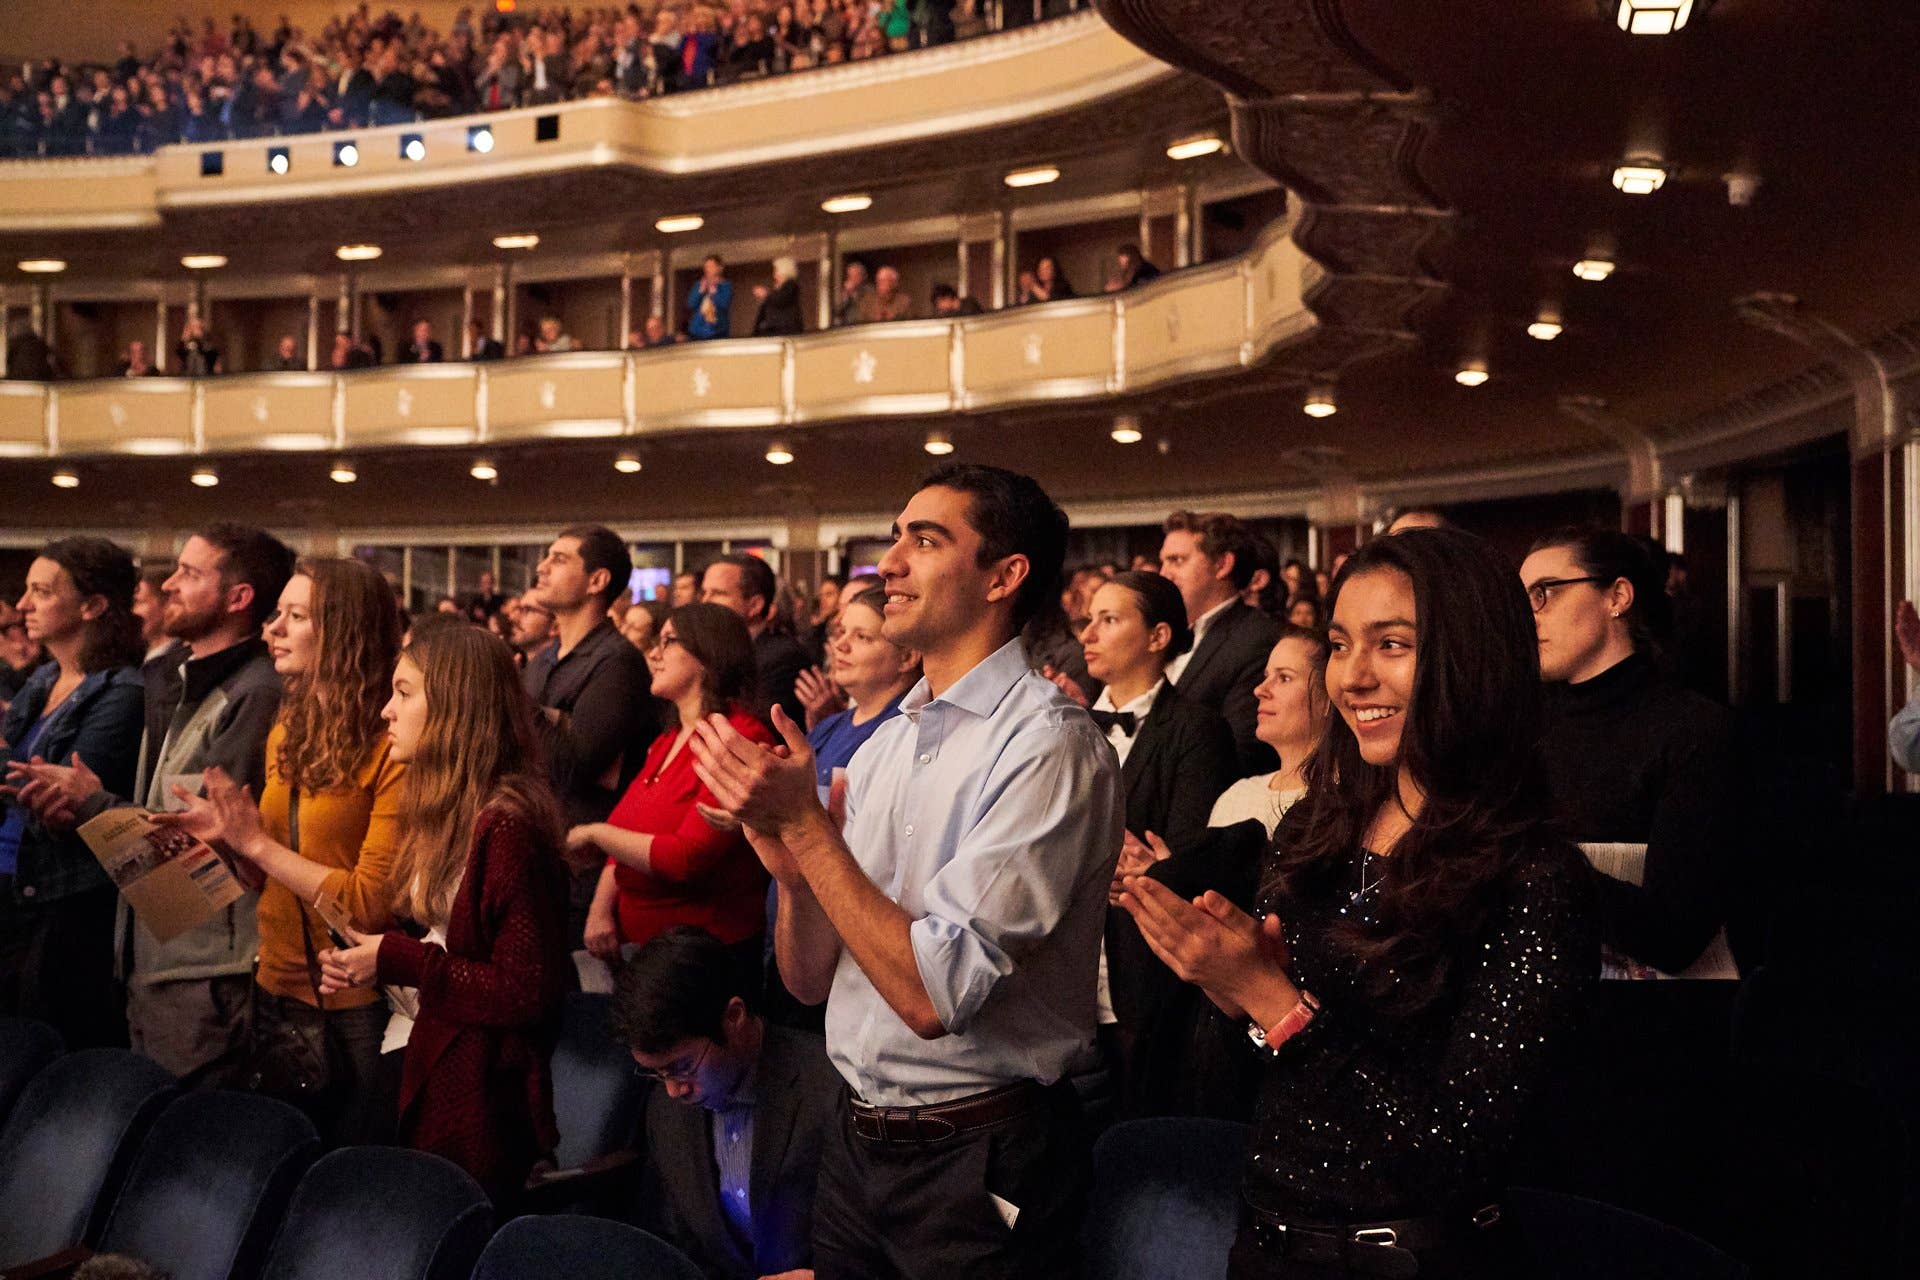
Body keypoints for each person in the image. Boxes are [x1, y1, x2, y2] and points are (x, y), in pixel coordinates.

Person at [1120, 527, 1597, 1279]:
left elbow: (1460, 1144)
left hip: (1417, 1258)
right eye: (1340, 645)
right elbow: (1274, 1076)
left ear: (1470, 657)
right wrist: (1232, 984)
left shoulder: (1533, 874)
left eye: (1393, 645)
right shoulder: (1319, 825)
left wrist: (1278, 1005)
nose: (1353, 678)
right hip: (1270, 1238)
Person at [688, 463, 1123, 1277]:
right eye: (894, 537)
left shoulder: (1049, 745)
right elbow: (809, 979)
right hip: (857, 1143)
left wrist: (810, 833)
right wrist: (788, 863)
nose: (887, 562)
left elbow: (932, 996)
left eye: (924, 541)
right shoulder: (886, 742)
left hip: (980, 1155)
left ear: (1003, 576)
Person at [9, 524, 292, 1076]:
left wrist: (91, 805)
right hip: (153, 959)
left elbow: (200, 867)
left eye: (189, 574)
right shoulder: (175, 679)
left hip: (205, 968)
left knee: (190, 1144)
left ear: (238, 598)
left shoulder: (254, 694)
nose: (168, 587)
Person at [1521, 527, 1738, 1230]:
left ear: (1617, 597)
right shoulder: (1519, 729)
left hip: (1647, 1052)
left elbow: (1676, 934)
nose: (1530, 615)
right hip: (1524, 1031)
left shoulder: (1694, 728)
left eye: (1546, 594)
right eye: (1520, 599)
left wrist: (1531, 858)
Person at [153, 558, 404, 1142]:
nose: (273, 629)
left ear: (342, 632)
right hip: (273, 991)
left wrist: (256, 844)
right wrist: (231, 844)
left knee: (345, 1180)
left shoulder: (391, 744)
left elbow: (367, 903)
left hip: (354, 1006)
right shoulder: (290, 725)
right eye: (276, 614)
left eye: (295, 616)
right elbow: (271, 877)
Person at [316, 622, 569, 1202]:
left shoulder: (507, 825)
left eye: (404, 693)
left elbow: (526, 991)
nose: (386, 710)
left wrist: (397, 958)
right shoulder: (453, 809)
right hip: (427, 1052)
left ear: (456, 706)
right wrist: (373, 957)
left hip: (474, 1093)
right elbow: (450, 943)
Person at [1077, 570, 1236, 1117]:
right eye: (1090, 619)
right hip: (1061, 963)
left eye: (1110, 619)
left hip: (1142, 966)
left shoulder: (1195, 728)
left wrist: (1151, 867)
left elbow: (1180, 854)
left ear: (1158, 636)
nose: (1089, 633)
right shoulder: (1066, 727)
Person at [619, 927, 841, 1280]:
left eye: (681, 1067)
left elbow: (879, 1239)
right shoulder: (666, 1111)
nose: (675, 1090)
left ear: (734, 1017)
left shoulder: (831, 1088)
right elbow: (676, 1243)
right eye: (658, 1074)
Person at [0, 539, 146, 1052]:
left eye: (41, 591)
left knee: (44, 1051)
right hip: (13, 887)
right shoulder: (42, 679)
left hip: (62, 901)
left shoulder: (122, 691)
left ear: (93, 605)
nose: (22, 606)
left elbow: (60, 802)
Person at [575, 603, 775, 962]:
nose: (653, 653)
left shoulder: (739, 738)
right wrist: (600, 910)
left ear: (707, 653)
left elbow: (685, 859)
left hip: (700, 953)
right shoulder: (667, 739)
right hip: (638, 944)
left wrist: (594, 834)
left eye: (668, 641)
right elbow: (627, 830)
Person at [523, 525, 661, 942]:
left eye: (559, 559)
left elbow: (576, 762)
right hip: (535, 852)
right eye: (546, 557)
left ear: (598, 581)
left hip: (581, 868)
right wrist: (553, 717)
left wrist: (514, 701)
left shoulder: (616, 662)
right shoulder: (543, 660)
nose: (542, 568)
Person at [1160, 510, 1282, 775]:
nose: (1164, 574)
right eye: (1163, 562)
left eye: (1177, 561)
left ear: (1222, 564)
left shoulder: (1256, 639)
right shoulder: (1162, 634)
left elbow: (1243, 754)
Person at [1209, 626, 1330, 836]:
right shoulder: (1238, 795)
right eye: (1266, 676)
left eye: (1284, 678)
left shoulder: (1344, 802)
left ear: (1328, 698)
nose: (1260, 690)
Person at [701, 554, 810, 730]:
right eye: (704, 592)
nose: (705, 602)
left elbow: (756, 730)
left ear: (754, 605)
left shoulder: (783, 658)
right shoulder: (713, 653)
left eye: (718, 593)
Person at [130, 566, 175, 664]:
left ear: (167, 604)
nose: (131, 612)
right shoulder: (134, 658)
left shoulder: (180, 666)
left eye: (137, 602)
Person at [751, 256, 804, 336]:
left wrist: (765, 294)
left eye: (776, 270)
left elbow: (781, 299)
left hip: (786, 331)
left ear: (784, 271)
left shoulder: (791, 285)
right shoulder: (777, 289)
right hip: (773, 330)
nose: (774, 274)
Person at [687, 255, 734, 341]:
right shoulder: (698, 285)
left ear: (720, 268)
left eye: (711, 266)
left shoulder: (726, 286)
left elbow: (724, 304)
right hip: (697, 331)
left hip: (717, 331)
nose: (708, 269)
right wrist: (701, 291)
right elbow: (690, 304)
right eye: (706, 267)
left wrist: (713, 291)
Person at [833, 261, 873, 328]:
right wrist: (845, 295)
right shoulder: (844, 292)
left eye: (856, 276)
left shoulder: (869, 290)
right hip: (848, 327)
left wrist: (855, 296)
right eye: (850, 276)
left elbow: (866, 310)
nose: (853, 279)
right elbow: (837, 311)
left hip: (865, 326)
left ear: (863, 276)